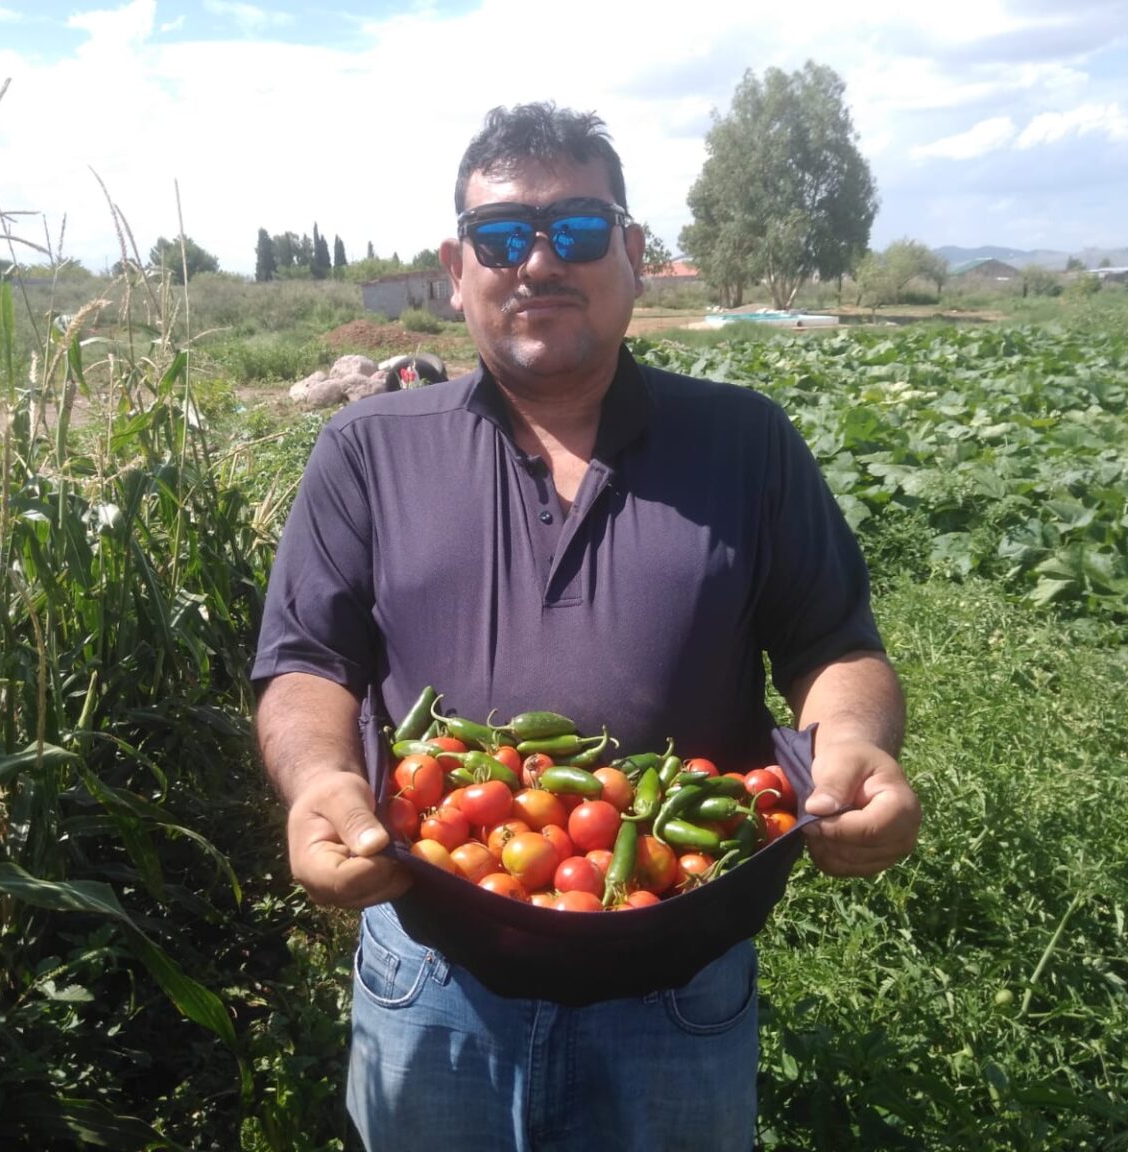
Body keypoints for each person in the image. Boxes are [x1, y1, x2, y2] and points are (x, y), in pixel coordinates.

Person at [252, 102, 921, 1150]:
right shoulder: (367, 450)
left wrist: (857, 747)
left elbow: (834, 647)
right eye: (504, 236)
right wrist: (321, 784)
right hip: (431, 974)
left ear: (635, 252)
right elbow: (305, 664)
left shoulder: (746, 443)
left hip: (677, 988)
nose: (537, 264)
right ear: (457, 264)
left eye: (576, 231)